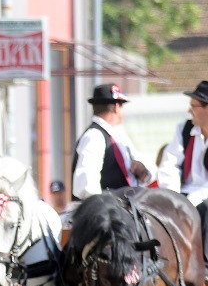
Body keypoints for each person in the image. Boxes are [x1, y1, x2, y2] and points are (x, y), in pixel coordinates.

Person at [71, 83, 155, 201]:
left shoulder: (119, 136)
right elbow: (86, 187)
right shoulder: (95, 136)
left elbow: (148, 172)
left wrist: (142, 171)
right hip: (107, 214)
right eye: (122, 106)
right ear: (116, 107)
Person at [156, 80, 208, 265]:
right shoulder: (184, 129)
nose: (189, 111)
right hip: (184, 193)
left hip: (203, 197)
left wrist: (189, 201)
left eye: (193, 106)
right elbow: (169, 164)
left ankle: (205, 265)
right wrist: (174, 197)